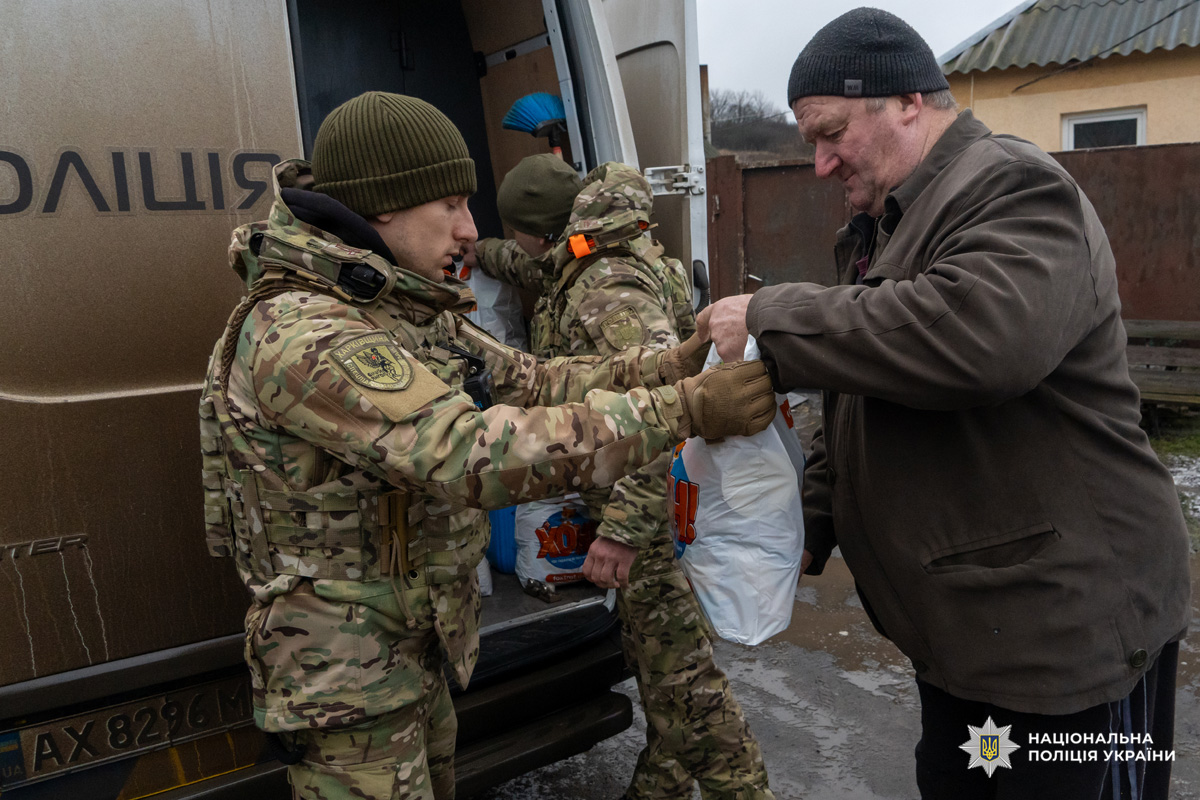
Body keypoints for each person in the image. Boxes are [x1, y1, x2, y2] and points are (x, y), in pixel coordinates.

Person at [199, 91, 778, 800]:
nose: (471, 231)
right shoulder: (306, 331)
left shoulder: (396, 303)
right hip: (343, 676)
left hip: (406, 643)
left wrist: (671, 364)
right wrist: (682, 408)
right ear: (384, 205)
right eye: (449, 205)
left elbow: (532, 379)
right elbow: (466, 455)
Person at [698, 9, 1190, 799]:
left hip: (1070, 645)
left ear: (907, 103)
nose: (820, 165)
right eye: (809, 143)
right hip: (969, 643)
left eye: (831, 134)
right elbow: (866, 389)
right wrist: (808, 519)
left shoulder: (1013, 184)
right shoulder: (884, 223)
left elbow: (980, 338)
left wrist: (769, 317)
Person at [466, 154, 774, 800]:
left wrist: (626, 530)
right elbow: (520, 264)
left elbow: (666, 413)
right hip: (629, 503)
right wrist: (478, 249)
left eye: (513, 229)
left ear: (542, 229)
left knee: (686, 683)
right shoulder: (566, 263)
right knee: (662, 670)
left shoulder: (608, 290)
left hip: (647, 514)